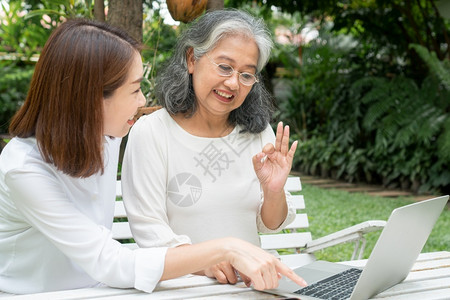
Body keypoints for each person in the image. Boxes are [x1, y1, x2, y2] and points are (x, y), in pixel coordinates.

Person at [0, 18, 306, 294]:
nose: (144, 100)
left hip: (98, 292)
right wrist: (225, 249)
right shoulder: (24, 169)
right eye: (134, 90)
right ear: (91, 98)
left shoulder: (105, 138)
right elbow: (110, 260)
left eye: (246, 74)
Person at [122, 9, 299, 285]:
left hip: (249, 288)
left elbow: (273, 224)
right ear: (192, 59)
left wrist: (273, 191)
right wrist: (204, 261)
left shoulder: (257, 134)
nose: (232, 83)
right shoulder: (153, 132)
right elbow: (149, 230)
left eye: (246, 75)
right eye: (224, 67)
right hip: (184, 287)